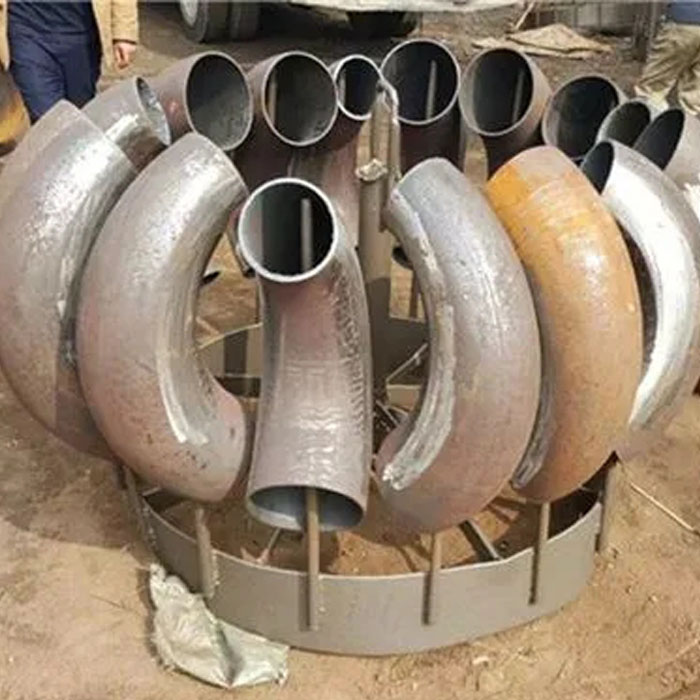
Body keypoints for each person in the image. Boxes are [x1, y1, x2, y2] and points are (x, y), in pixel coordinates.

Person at [0, 0, 138, 122]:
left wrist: (125, 33)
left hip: (81, 35)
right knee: (46, 114)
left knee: (77, 111)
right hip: (26, 30)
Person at [636, 1, 700, 115]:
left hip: (683, 21)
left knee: (655, 85)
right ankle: (688, 121)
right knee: (695, 92)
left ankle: (646, 115)